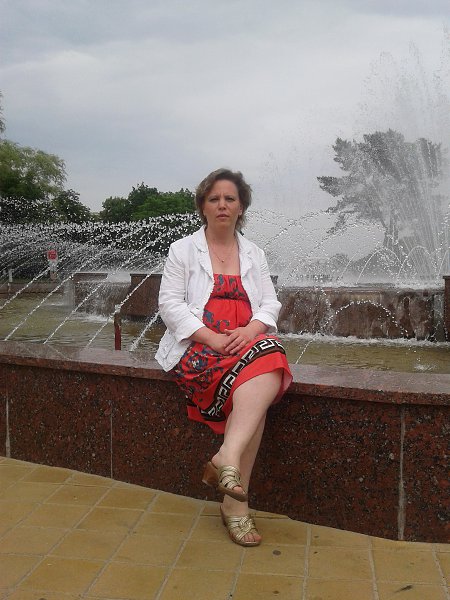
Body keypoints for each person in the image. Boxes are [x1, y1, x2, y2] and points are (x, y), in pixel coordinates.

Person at [155, 168, 292, 546]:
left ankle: (226, 460)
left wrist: (250, 330)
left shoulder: (254, 253)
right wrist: (213, 339)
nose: (222, 205)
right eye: (214, 199)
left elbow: (270, 304)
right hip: (199, 347)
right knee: (261, 386)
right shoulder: (183, 250)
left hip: (244, 343)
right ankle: (234, 503)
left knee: (268, 354)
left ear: (241, 206)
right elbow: (170, 305)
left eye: (230, 198)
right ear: (202, 206)